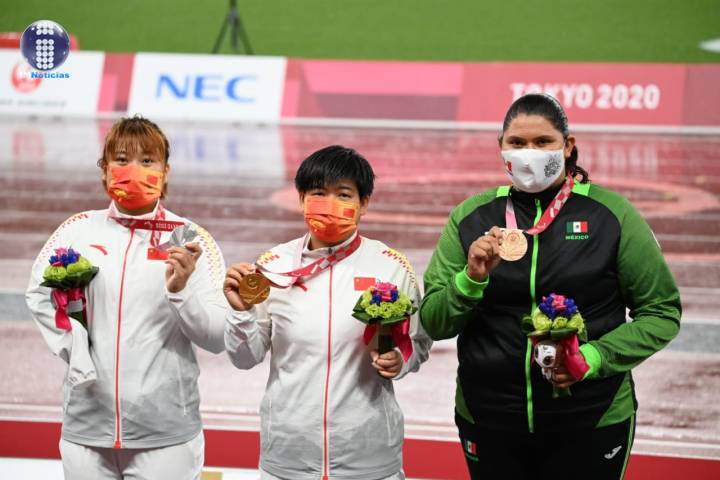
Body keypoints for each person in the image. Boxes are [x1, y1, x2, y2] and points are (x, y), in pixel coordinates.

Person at [420, 94, 681, 479]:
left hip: (591, 418)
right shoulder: (471, 217)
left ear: (568, 146)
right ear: (501, 147)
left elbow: (661, 312)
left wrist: (593, 358)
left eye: (543, 142)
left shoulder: (612, 216)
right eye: (517, 143)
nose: (530, 154)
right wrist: (470, 280)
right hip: (489, 416)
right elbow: (434, 322)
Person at [26, 116, 228, 479]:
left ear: (165, 172)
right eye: (121, 159)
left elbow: (216, 337)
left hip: (166, 436)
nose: (134, 169)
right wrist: (77, 352)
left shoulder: (191, 239)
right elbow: (39, 297)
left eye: (147, 161)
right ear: (105, 169)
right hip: (86, 427)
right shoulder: (76, 231)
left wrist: (181, 293)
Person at [224, 145, 432, 480]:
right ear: (301, 199)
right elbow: (244, 357)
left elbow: (418, 342)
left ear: (364, 203)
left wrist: (400, 360)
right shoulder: (272, 267)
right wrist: (241, 313)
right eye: (319, 193)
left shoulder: (391, 266)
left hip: (369, 460)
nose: (330, 203)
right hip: (288, 460)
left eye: (344, 194)